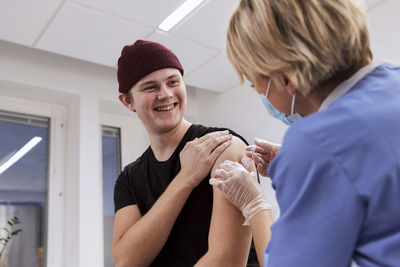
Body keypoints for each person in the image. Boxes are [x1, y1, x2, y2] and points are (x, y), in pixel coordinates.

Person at [210, 0, 400, 266]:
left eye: (256, 83)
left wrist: (255, 204)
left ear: (286, 76)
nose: (259, 94)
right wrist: (302, 166)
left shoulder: (316, 142)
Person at [112, 40, 261, 267]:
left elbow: (227, 260)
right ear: (127, 101)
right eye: (150, 87)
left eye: (173, 82)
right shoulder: (129, 178)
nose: (166, 94)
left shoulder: (223, 145)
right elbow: (127, 260)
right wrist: (185, 179)